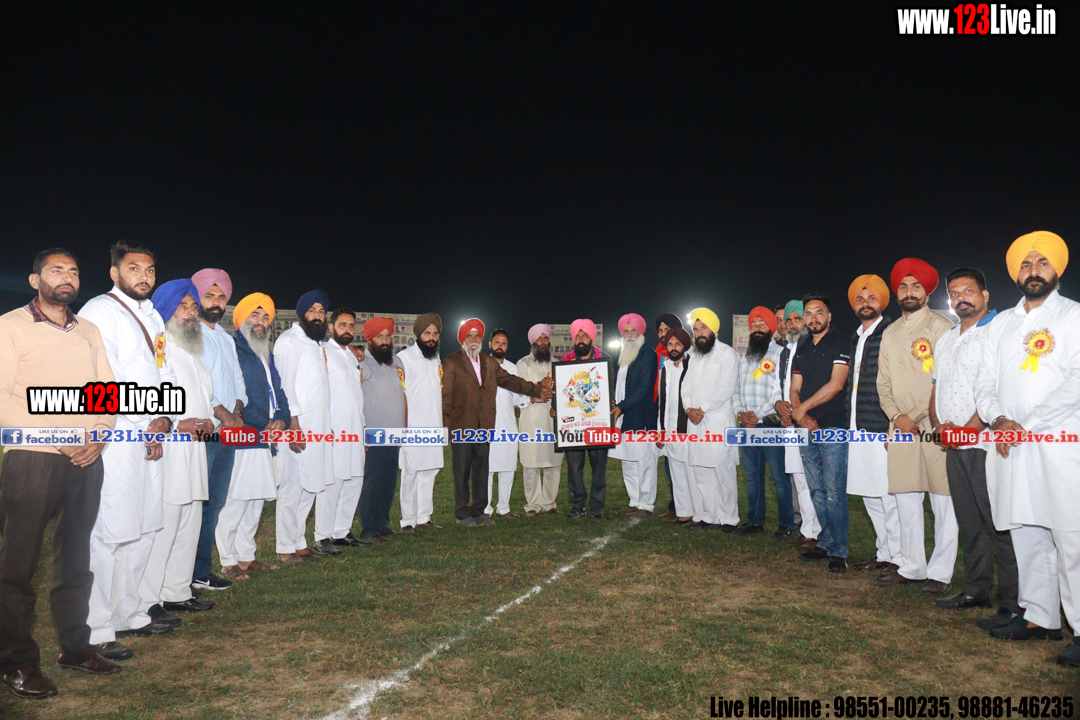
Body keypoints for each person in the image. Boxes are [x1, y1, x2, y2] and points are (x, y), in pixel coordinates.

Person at [0, 248, 121, 699]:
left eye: (73, 271)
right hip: (32, 457)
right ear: (36, 280)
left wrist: (100, 436)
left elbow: (108, 391)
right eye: (56, 270)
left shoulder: (88, 330)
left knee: (75, 559)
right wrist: (57, 436)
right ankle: (16, 662)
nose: (67, 277)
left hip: (85, 459)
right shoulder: (10, 326)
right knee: (17, 565)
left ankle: (75, 648)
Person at [974, 231, 1080, 667]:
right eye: (1025, 264)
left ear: (1057, 269)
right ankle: (1040, 618)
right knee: (1025, 530)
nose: (1033, 270)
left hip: (1059, 446)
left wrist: (1026, 426)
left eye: (1042, 262)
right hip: (1008, 446)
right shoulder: (1002, 323)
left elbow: (1076, 382)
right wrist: (999, 420)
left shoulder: (1073, 316)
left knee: (1071, 537)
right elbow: (984, 381)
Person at [78, 241, 178, 651]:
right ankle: (97, 628)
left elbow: (165, 371)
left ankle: (129, 613)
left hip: (152, 433)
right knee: (109, 533)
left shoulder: (152, 315)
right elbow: (105, 376)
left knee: (145, 526)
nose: (144, 276)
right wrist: (144, 425)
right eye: (134, 268)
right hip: (117, 436)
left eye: (150, 269)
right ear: (114, 273)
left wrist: (164, 419)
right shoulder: (99, 311)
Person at [931, 268, 1019, 628]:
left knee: (999, 522)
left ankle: (1014, 600)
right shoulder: (946, 337)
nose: (960, 298)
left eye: (968, 291)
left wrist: (969, 431)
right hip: (954, 444)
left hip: (985, 444)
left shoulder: (998, 332)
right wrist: (938, 425)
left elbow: (994, 388)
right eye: (954, 293)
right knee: (969, 521)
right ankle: (975, 590)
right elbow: (936, 386)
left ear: (985, 295)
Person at [877, 259, 958, 595]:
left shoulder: (942, 327)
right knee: (906, 498)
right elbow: (882, 383)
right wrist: (896, 416)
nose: (909, 292)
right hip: (901, 427)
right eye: (903, 287)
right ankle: (912, 567)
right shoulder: (890, 332)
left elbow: (945, 379)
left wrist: (913, 415)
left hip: (935, 425)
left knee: (943, 500)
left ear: (927, 292)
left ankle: (941, 572)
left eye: (916, 286)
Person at [138, 281, 216, 630]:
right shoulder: (160, 345)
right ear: (167, 310)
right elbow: (152, 389)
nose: (190, 311)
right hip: (170, 445)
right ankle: (149, 599)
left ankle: (177, 591)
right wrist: (175, 422)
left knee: (190, 519)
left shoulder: (192, 349)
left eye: (193, 305)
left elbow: (205, 396)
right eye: (183, 305)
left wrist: (210, 422)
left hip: (195, 446)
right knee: (166, 522)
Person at [442, 318, 551, 526]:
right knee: (462, 471)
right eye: (469, 336)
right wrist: (446, 426)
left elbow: (511, 381)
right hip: (462, 427)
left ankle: (480, 511)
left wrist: (537, 389)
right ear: (462, 340)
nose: (473, 340)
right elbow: (445, 396)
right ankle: (462, 513)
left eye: (477, 336)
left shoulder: (489, 362)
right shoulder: (452, 361)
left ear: (482, 340)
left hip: (485, 426)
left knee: (482, 469)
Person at [217, 294, 290, 578]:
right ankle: (228, 560)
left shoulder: (264, 352)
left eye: (265, 317)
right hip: (244, 435)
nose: (260, 322)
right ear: (240, 320)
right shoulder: (233, 348)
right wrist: (265, 421)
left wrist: (282, 419)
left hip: (265, 437)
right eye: (254, 315)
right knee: (237, 500)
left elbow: (278, 391)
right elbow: (236, 394)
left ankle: (246, 557)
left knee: (255, 498)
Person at [190, 268, 246, 592]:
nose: (216, 302)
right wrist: (222, 413)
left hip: (228, 431)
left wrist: (236, 412)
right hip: (205, 430)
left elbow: (238, 381)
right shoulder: (189, 333)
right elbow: (197, 383)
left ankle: (201, 571)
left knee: (215, 502)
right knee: (196, 502)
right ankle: (186, 572)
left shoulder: (226, 338)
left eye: (221, 297)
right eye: (209, 295)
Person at [790, 293, 850, 573]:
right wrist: (801, 415)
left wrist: (803, 409)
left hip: (833, 426)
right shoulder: (802, 346)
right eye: (809, 313)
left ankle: (838, 550)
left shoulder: (840, 342)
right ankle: (825, 542)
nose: (814, 318)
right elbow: (794, 387)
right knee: (816, 489)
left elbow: (837, 384)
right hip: (806, 427)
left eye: (819, 312)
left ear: (829, 316)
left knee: (834, 490)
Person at [843, 275, 900, 575]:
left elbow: (896, 382)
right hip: (857, 425)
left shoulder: (890, 333)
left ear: (882, 302)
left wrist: (893, 424)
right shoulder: (856, 337)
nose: (865, 304)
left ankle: (899, 558)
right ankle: (884, 552)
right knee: (868, 493)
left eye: (872, 298)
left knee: (888, 495)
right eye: (860, 299)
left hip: (881, 426)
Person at [273, 290, 334, 563]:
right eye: (312, 311)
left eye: (321, 312)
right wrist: (294, 425)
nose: (317, 316)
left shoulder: (316, 344)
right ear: (301, 314)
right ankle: (285, 548)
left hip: (318, 428)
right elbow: (285, 387)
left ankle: (299, 543)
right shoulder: (289, 342)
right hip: (297, 428)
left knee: (310, 485)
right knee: (292, 487)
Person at [732, 306, 791, 538]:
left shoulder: (780, 353)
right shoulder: (745, 357)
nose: (757, 328)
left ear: (771, 328)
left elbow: (780, 391)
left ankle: (786, 524)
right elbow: (736, 389)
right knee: (751, 476)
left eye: (762, 324)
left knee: (778, 476)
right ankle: (754, 521)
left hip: (769, 424)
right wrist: (740, 413)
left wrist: (757, 413)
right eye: (754, 324)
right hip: (747, 425)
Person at [680, 308, 740, 531]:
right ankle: (709, 515)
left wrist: (702, 409)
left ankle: (729, 518)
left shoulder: (727, 353)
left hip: (717, 421)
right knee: (701, 471)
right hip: (695, 422)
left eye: (703, 328)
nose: (699, 333)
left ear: (713, 329)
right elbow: (685, 385)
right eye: (696, 329)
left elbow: (726, 388)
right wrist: (688, 408)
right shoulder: (695, 356)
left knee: (723, 471)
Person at [314, 308, 366, 551]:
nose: (347, 329)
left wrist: (363, 429)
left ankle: (341, 532)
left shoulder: (351, 356)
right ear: (331, 327)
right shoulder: (323, 352)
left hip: (356, 428)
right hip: (335, 429)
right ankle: (322, 536)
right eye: (342, 324)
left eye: (351, 325)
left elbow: (356, 394)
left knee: (354, 480)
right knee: (333, 483)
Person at [357, 317, 407, 542]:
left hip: (395, 433)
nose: (385, 341)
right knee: (372, 481)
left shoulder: (397, 362)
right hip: (373, 433)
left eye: (388, 336)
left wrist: (405, 427)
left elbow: (402, 395)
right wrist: (361, 431)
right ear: (369, 339)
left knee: (388, 482)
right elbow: (356, 399)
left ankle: (382, 523)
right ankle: (369, 527)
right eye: (379, 336)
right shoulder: (362, 363)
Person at [776, 300, 819, 550]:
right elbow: (780, 386)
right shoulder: (786, 351)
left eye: (798, 319)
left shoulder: (811, 347)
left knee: (813, 479)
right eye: (789, 320)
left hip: (808, 421)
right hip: (790, 424)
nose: (792, 324)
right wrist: (780, 406)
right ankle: (808, 530)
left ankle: (819, 532)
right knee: (799, 478)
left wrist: (797, 413)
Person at [396, 313, 444, 533]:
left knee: (430, 471)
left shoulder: (436, 358)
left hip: (434, 423)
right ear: (418, 334)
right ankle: (407, 521)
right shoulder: (404, 358)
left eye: (435, 333)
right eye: (427, 333)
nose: (431, 337)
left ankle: (424, 517)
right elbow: (400, 393)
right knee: (411, 473)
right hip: (412, 425)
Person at [560, 319, 612, 519]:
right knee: (574, 467)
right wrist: (556, 409)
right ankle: (577, 504)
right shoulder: (565, 363)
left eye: (585, 336)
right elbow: (561, 393)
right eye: (578, 336)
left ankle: (597, 505)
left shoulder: (604, 360)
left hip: (597, 422)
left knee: (599, 466)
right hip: (573, 426)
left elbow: (610, 388)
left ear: (592, 339)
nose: (581, 340)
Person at [610, 313, 659, 519]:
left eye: (634, 331)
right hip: (623, 417)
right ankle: (634, 501)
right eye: (626, 332)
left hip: (642, 416)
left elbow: (643, 388)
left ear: (641, 333)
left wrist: (621, 406)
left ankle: (646, 504)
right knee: (628, 460)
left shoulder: (648, 355)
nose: (630, 335)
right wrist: (614, 403)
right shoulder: (621, 356)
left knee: (645, 462)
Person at [515, 324, 562, 516]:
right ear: (532, 341)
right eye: (538, 338)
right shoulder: (523, 364)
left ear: (549, 341)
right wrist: (539, 385)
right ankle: (533, 504)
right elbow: (519, 390)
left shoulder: (558, 364)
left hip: (553, 419)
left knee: (554, 462)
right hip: (531, 419)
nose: (542, 342)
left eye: (545, 338)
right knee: (530, 463)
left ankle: (549, 503)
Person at [656, 327, 694, 523]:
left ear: (684, 346)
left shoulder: (692, 367)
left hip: (688, 429)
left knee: (691, 473)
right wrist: (660, 431)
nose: (673, 347)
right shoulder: (665, 368)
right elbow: (662, 403)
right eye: (670, 344)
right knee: (676, 474)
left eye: (677, 344)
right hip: (669, 429)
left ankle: (698, 513)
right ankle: (683, 513)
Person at [486, 328, 524, 518]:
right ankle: (485, 508)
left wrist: (534, 397)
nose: (500, 346)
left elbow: (519, 397)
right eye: (497, 342)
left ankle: (504, 508)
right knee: (486, 469)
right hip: (485, 426)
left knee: (508, 467)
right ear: (490, 344)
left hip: (508, 424)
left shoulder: (512, 368)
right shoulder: (480, 366)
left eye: (504, 343)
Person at [653, 313, 684, 520]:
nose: (664, 335)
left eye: (667, 330)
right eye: (660, 331)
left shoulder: (686, 355)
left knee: (684, 467)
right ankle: (676, 507)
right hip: (664, 415)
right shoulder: (658, 354)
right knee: (669, 466)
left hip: (684, 421)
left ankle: (686, 508)